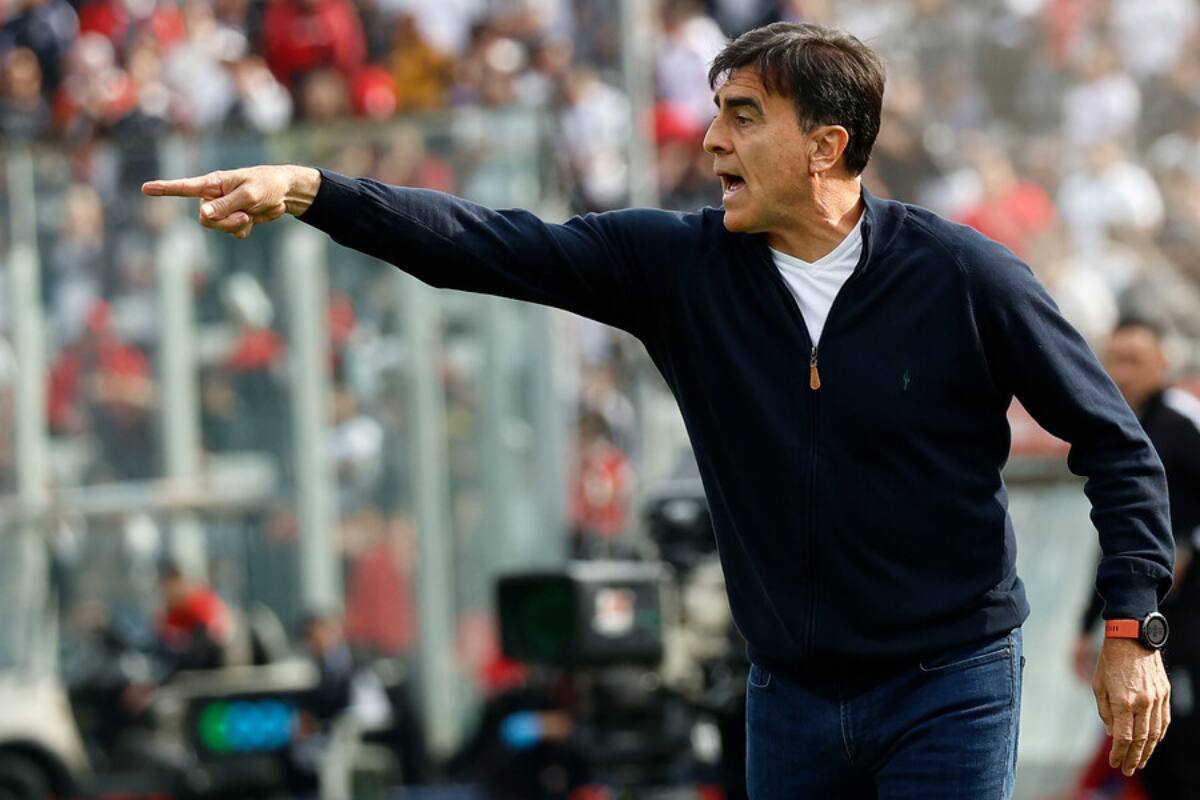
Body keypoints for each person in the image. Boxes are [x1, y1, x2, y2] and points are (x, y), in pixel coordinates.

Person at [142, 22, 1175, 798]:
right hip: (791, 696)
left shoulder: (967, 275)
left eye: (743, 116)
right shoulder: (674, 265)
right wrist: (316, 190)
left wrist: (1133, 626)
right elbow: (481, 242)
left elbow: (1118, 449)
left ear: (826, 146)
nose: (711, 137)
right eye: (717, 109)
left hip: (948, 679)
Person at [1072, 317, 1200, 799]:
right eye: (1115, 361)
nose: (1122, 373)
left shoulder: (1179, 421)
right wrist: (1090, 622)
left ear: (1163, 362)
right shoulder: (1119, 427)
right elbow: (1116, 542)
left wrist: (1188, 545)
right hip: (1145, 621)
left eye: (1135, 360)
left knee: (1183, 752)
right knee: (1152, 756)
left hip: (1187, 623)